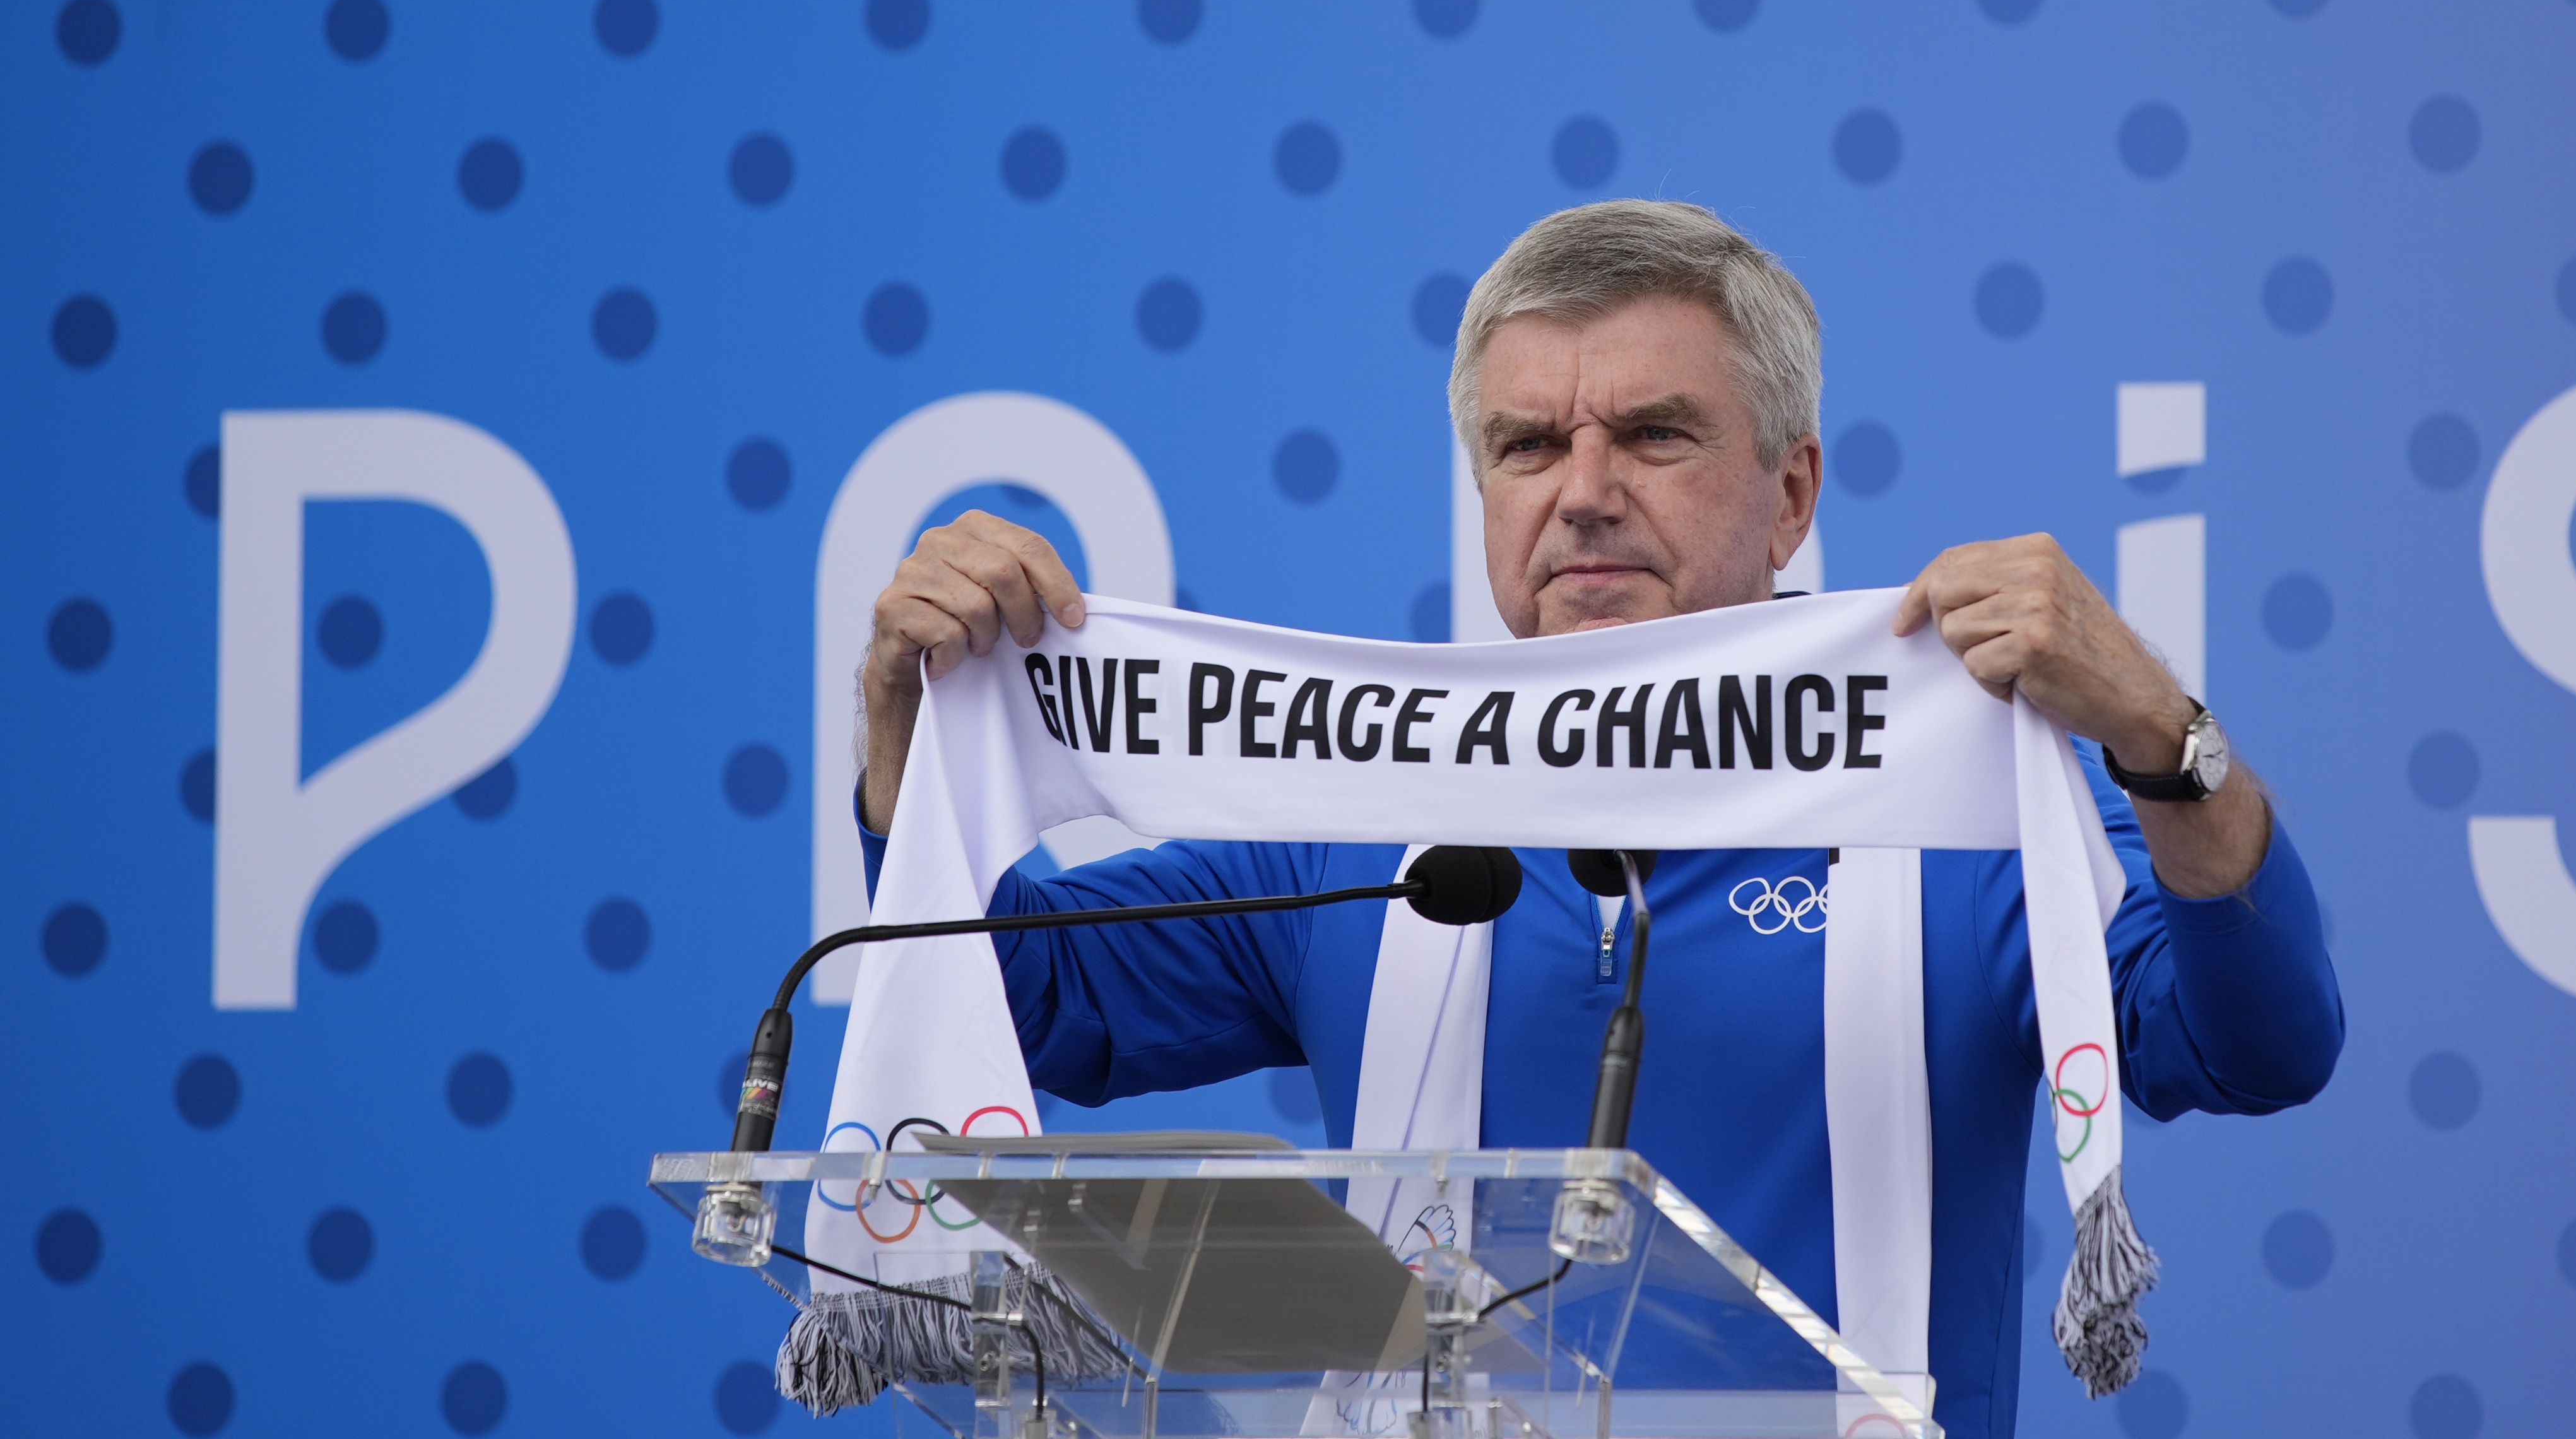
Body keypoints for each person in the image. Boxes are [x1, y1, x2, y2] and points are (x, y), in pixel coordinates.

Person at [853, 200, 2341, 1439]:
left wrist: (2162, 733)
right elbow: (1023, 997)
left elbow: (2256, 1045)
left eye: (1654, 434)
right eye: (1525, 447)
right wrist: (911, 753)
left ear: (1793, 491)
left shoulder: (1957, 814)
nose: (1582, 494)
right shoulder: (1362, 806)